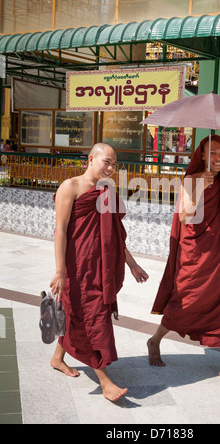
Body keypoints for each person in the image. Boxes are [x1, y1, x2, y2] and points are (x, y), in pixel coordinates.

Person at [147, 134, 220, 383]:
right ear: (203, 155)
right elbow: (185, 216)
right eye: (213, 153)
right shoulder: (192, 180)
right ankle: (154, 340)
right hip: (196, 253)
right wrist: (198, 188)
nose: (218, 158)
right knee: (184, 302)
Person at [50, 142, 149, 401]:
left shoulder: (107, 191)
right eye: (107, 161)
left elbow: (114, 236)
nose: (111, 168)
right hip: (77, 268)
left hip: (101, 268)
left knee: (80, 315)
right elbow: (60, 230)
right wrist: (59, 272)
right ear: (91, 159)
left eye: (115, 164)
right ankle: (105, 382)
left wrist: (132, 263)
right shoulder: (70, 187)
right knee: (92, 319)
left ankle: (57, 358)